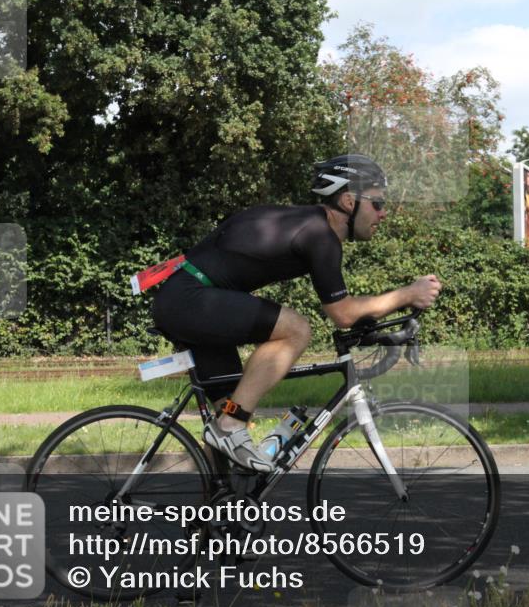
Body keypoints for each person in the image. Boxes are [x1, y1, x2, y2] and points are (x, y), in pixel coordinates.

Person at [151, 154, 441, 472]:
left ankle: (219, 498)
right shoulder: (319, 235)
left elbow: (349, 312)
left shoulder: (307, 224)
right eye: (377, 203)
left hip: (189, 299)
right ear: (349, 201)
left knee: (232, 418)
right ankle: (229, 426)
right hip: (191, 299)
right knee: (296, 330)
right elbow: (343, 314)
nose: (383, 213)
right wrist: (407, 294)